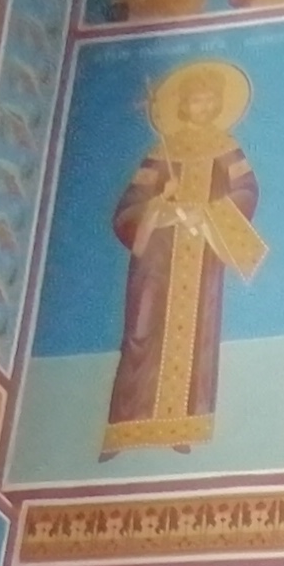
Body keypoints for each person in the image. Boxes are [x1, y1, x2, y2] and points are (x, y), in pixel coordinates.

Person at [102, 59, 265, 459]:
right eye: (195, 99)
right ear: (183, 105)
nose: (202, 106)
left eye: (209, 99)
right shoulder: (161, 151)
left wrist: (206, 212)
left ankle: (183, 427)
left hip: (201, 253)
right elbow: (131, 203)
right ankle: (126, 426)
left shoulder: (226, 148)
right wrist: (160, 202)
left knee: (195, 335)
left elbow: (246, 190)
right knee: (141, 330)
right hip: (157, 257)